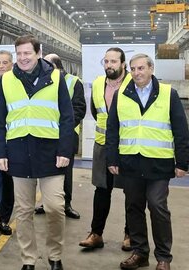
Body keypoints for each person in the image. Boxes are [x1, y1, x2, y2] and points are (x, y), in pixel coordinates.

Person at [0, 35, 74, 270]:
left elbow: (67, 118)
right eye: (19, 54)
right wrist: (0, 153)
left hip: (50, 153)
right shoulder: (6, 80)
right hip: (18, 152)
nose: (23, 58)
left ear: (38, 53)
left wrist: (65, 150)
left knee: (55, 207)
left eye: (27, 53)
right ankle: (28, 259)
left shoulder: (56, 78)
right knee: (24, 210)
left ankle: (55, 255)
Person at [106, 53, 189, 270]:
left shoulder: (167, 93)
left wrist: (182, 162)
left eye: (141, 68)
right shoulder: (121, 94)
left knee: (157, 205)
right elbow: (113, 129)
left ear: (151, 69)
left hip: (158, 164)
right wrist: (112, 158)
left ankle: (163, 257)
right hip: (130, 162)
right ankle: (140, 253)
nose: (136, 73)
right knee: (133, 207)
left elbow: (181, 131)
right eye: (133, 69)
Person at [78, 48, 133, 252]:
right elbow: (95, 110)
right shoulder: (99, 83)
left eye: (114, 61)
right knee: (101, 190)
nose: (109, 65)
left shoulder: (132, 82)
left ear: (123, 64)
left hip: (128, 145)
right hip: (102, 144)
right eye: (106, 61)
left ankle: (130, 235)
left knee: (132, 192)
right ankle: (96, 234)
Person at [35, 53, 86, 219]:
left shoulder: (73, 82)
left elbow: (79, 109)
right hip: (45, 134)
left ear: (55, 66)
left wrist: (64, 127)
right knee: (45, 169)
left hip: (67, 135)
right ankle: (46, 202)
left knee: (65, 171)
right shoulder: (42, 81)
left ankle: (66, 204)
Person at [0, 50, 15, 236]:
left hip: (8, 141)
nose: (0, 65)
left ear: (11, 64)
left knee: (7, 184)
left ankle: (4, 219)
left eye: (5, 62)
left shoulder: (16, 83)